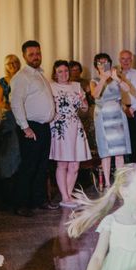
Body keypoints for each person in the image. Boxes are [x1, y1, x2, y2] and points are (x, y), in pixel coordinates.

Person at [10, 40, 58, 216]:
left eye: (38, 53)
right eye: (31, 54)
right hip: (31, 127)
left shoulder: (39, 75)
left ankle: (38, 201)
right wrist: (25, 127)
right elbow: (15, 103)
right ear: (24, 56)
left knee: (42, 166)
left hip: (44, 127)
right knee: (29, 166)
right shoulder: (21, 77)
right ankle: (21, 204)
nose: (36, 57)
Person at [49, 60, 92, 207]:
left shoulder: (76, 86)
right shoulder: (51, 87)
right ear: (55, 73)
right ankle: (65, 197)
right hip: (60, 126)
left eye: (66, 71)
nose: (63, 74)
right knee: (62, 163)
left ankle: (68, 195)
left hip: (75, 125)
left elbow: (84, 109)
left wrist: (84, 102)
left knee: (75, 164)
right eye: (60, 71)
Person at [90, 53, 132, 189]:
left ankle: (119, 182)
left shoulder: (116, 78)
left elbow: (128, 89)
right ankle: (107, 183)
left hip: (117, 117)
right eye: (100, 63)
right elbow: (95, 94)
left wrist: (116, 78)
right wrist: (103, 79)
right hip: (103, 117)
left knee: (119, 152)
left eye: (106, 62)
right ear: (96, 66)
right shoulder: (94, 80)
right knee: (106, 152)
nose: (103, 65)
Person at [0, 54, 22, 183]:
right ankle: (9, 175)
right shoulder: (2, 81)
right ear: (5, 66)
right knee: (10, 146)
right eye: (9, 63)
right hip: (10, 116)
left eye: (15, 62)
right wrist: (13, 106)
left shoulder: (24, 78)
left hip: (23, 116)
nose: (13, 65)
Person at [118, 50, 136, 163]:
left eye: (128, 59)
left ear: (131, 60)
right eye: (123, 59)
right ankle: (121, 166)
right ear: (119, 60)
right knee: (120, 139)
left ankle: (135, 166)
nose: (125, 61)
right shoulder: (115, 75)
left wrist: (132, 108)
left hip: (135, 110)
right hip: (119, 109)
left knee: (135, 139)